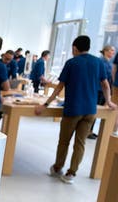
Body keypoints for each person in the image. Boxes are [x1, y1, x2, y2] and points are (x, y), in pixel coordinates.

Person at [35, 35, 116, 184]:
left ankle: (58, 168)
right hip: (90, 111)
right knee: (80, 143)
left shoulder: (71, 63)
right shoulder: (98, 62)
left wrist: (45, 105)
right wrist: (109, 101)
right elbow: (105, 84)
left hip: (73, 110)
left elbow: (59, 87)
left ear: (74, 48)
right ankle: (71, 174)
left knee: (64, 141)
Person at [89, 45, 116, 139]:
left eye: (114, 51)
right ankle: (88, 130)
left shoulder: (109, 63)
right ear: (106, 51)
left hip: (104, 90)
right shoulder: (101, 61)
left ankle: (90, 130)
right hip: (99, 89)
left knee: (99, 111)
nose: (113, 52)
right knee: (94, 110)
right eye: (111, 50)